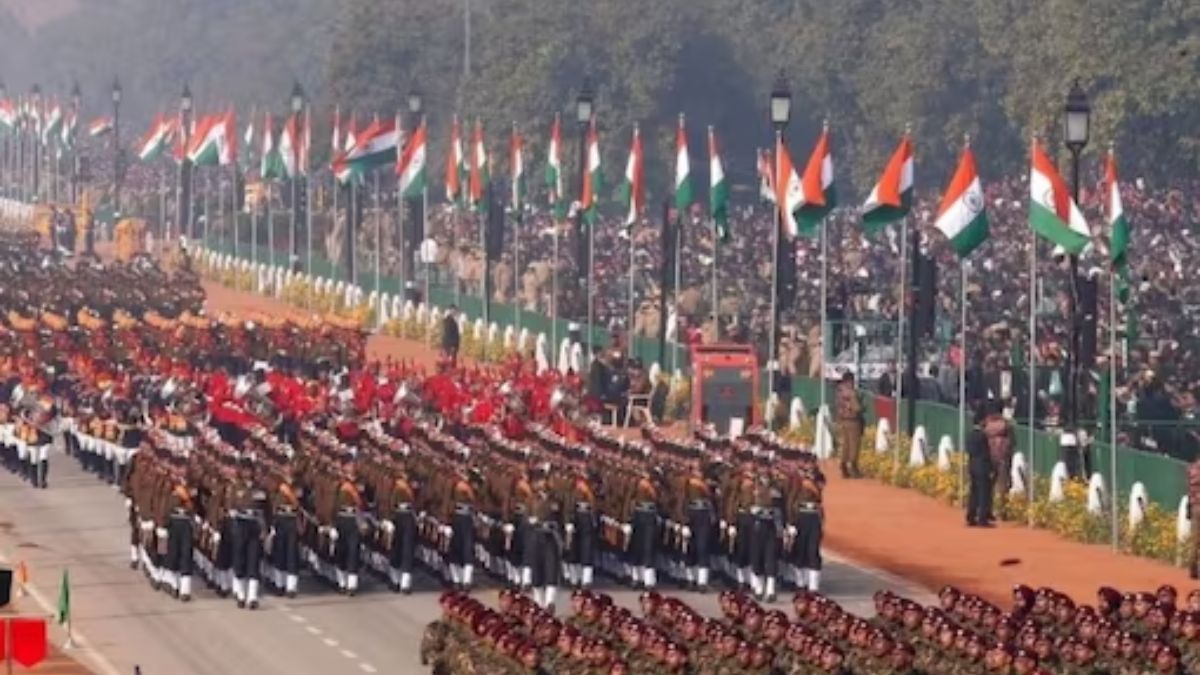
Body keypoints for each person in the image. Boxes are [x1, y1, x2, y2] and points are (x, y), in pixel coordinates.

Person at [966, 406, 995, 527]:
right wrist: (991, 467)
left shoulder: (970, 435)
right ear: (981, 421)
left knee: (973, 492)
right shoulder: (982, 436)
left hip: (972, 466)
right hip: (982, 467)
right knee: (983, 493)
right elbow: (986, 453)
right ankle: (982, 518)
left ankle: (971, 516)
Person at [835, 372, 865, 478]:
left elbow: (837, 406)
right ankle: (853, 467)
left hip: (843, 420)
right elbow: (856, 407)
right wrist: (862, 408)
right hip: (853, 421)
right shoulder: (851, 393)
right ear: (850, 381)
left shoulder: (839, 392)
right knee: (854, 445)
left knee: (845, 445)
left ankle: (843, 464)